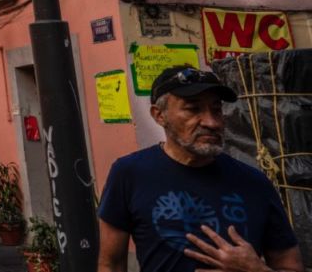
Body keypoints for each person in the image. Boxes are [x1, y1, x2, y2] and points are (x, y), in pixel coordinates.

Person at [97, 65, 302, 272]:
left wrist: (256, 270)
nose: (212, 122)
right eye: (193, 109)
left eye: (216, 109)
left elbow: (291, 265)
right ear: (159, 115)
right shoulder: (130, 174)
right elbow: (110, 264)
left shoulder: (254, 183)